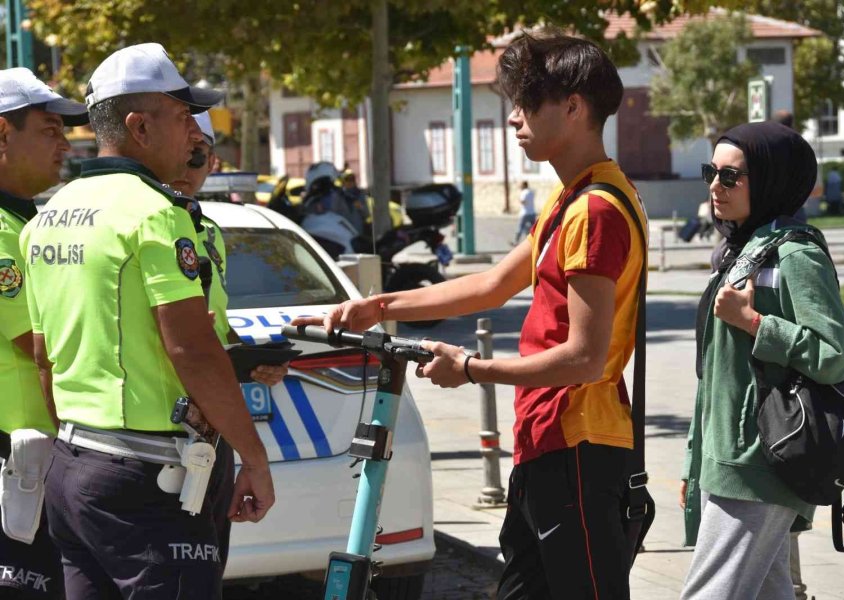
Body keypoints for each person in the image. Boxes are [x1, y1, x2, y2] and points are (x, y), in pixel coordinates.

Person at [294, 32, 646, 599]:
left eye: (526, 102)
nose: (513, 118)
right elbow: (492, 285)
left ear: (573, 107)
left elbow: (583, 358)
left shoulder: (595, 210)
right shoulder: (574, 198)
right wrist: (377, 307)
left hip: (578, 445)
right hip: (547, 442)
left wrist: (470, 369)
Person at [19, 43, 274, 599]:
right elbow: (191, 350)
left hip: (74, 465)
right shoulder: (157, 214)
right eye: (182, 117)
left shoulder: (46, 219)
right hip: (150, 476)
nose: (192, 134)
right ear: (139, 127)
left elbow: (44, 357)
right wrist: (254, 458)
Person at [679, 121, 844, 600]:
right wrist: (694, 460)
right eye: (711, 172)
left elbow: (833, 355)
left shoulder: (796, 254)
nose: (715, 186)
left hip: (760, 461)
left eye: (730, 176)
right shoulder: (741, 252)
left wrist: (754, 323)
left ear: (773, 179)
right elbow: (715, 374)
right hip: (726, 457)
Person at [169, 110, 287, 573]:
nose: (186, 165)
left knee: (206, 572)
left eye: (197, 155)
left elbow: (214, 327)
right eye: (180, 150)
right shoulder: (148, 224)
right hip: (156, 436)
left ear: (213, 162)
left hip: (210, 432)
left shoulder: (209, 233)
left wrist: (250, 360)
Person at [0, 67, 88, 600]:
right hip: (15, 460)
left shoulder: (24, 222)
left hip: (36, 459)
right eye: (50, 131)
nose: (65, 145)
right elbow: (34, 343)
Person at [512, 180, 537, 245]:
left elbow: (523, 201)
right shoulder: (531, 192)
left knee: (520, 227)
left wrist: (518, 199)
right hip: (532, 213)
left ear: (523, 185)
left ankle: (516, 241)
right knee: (534, 229)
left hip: (525, 213)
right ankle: (535, 241)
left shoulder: (524, 192)